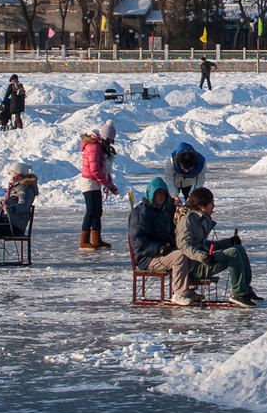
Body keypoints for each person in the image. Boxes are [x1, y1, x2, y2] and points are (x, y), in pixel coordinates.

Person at [176, 187, 262, 307]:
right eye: (211, 203)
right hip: (193, 267)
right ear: (202, 205)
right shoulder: (188, 221)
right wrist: (203, 257)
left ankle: (245, 290)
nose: (213, 206)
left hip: (203, 261)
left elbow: (204, 245)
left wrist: (229, 242)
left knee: (238, 249)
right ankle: (238, 294)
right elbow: (184, 247)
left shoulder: (201, 219)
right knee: (233, 253)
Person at [129, 177, 196, 305]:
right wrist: (159, 248)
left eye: (163, 193)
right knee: (180, 257)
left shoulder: (162, 211)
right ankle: (179, 294)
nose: (160, 197)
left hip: (163, 252)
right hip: (147, 257)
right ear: (151, 194)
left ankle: (187, 290)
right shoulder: (141, 213)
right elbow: (138, 242)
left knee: (189, 253)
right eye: (157, 193)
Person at [0, 165, 39, 265]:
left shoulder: (25, 188)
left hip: (13, 226)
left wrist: (12, 208)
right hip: (5, 222)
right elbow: (1, 204)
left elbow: (25, 206)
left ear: (17, 174)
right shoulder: (15, 187)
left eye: (10, 173)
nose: (9, 175)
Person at [78, 121, 119, 250]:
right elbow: (95, 170)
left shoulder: (99, 146)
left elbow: (103, 168)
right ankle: (84, 241)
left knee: (98, 211)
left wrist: (110, 183)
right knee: (91, 211)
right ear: (105, 137)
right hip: (89, 182)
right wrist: (108, 184)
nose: (110, 143)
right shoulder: (93, 147)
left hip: (95, 182)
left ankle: (96, 240)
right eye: (110, 140)